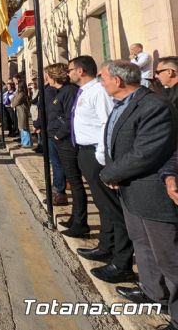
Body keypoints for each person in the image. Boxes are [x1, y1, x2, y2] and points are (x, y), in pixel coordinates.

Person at [98, 60, 178, 327]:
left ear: (118, 81)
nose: (101, 82)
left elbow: (145, 153)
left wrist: (111, 173)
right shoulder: (123, 104)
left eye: (103, 77)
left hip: (152, 192)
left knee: (169, 257)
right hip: (131, 190)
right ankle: (154, 292)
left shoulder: (154, 106)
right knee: (142, 244)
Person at [67, 56, 135, 278]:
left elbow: (108, 123)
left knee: (112, 208)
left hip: (97, 153)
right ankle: (106, 246)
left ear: (80, 70)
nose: (68, 73)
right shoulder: (86, 91)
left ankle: (121, 260)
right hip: (86, 151)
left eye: (70, 69)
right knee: (102, 203)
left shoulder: (97, 91)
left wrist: (101, 154)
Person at [44, 63, 87, 236]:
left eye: (47, 75)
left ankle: (80, 223)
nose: (45, 78)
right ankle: (74, 218)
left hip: (66, 142)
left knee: (75, 183)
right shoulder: (60, 92)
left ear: (54, 76)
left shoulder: (69, 91)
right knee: (72, 180)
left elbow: (70, 117)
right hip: (59, 140)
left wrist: (58, 135)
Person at [36, 76, 67, 205]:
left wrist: (39, 124)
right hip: (54, 129)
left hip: (53, 130)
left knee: (56, 162)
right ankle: (59, 187)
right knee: (57, 162)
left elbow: (48, 111)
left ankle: (59, 191)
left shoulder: (49, 91)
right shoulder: (53, 90)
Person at [11, 81, 32, 147]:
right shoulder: (19, 93)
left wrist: (13, 99)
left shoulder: (22, 94)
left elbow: (14, 103)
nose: (16, 85)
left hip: (22, 112)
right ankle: (23, 142)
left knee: (24, 127)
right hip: (19, 111)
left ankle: (27, 143)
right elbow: (12, 100)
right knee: (21, 127)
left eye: (17, 84)